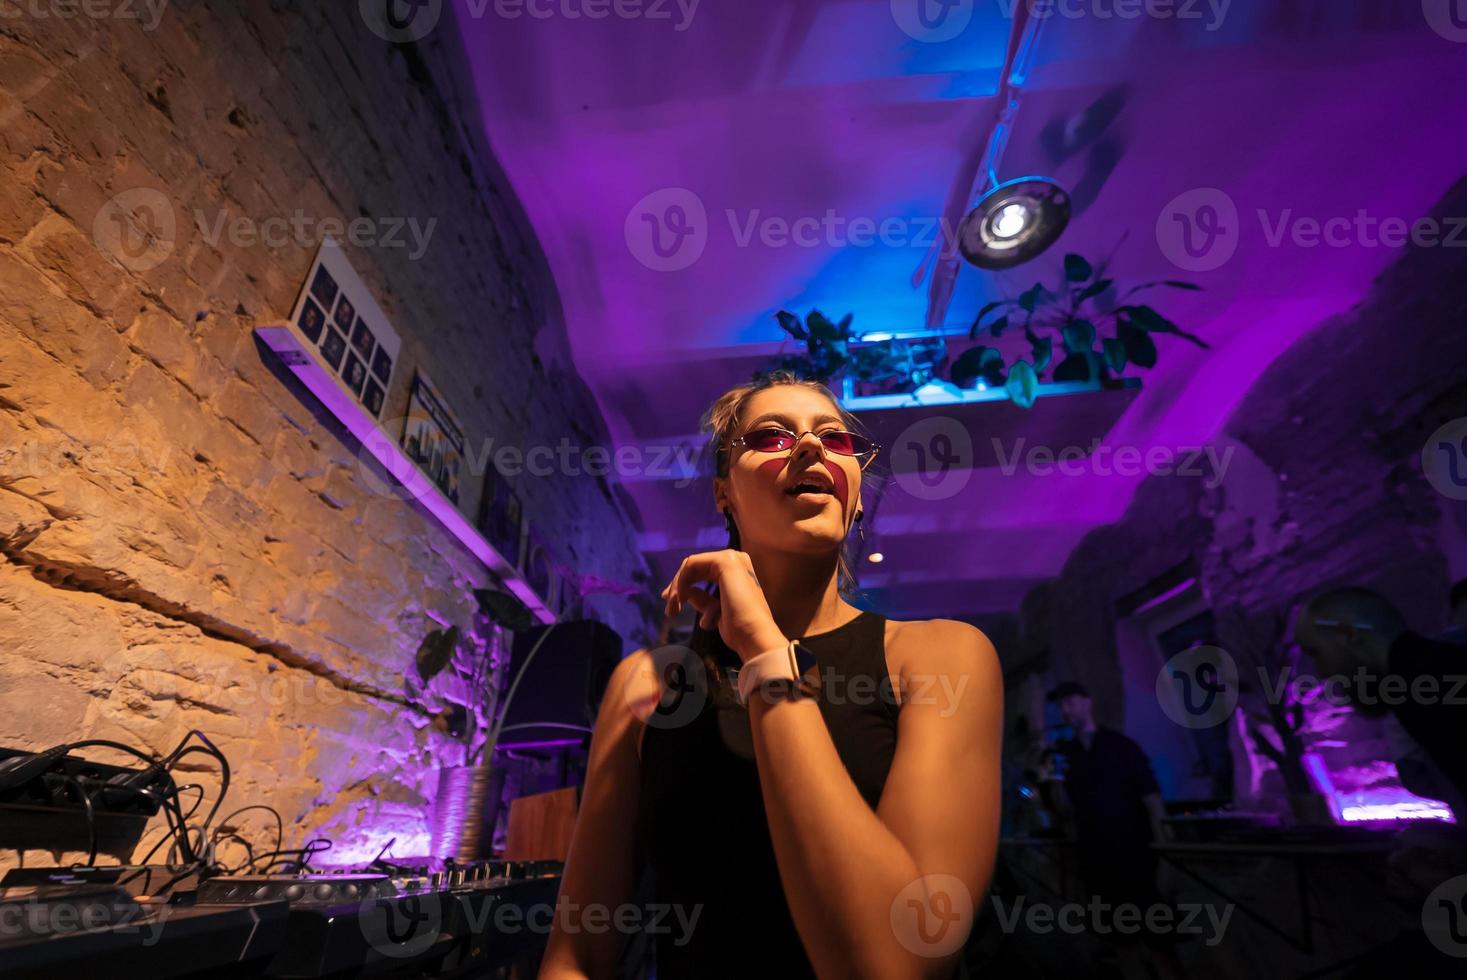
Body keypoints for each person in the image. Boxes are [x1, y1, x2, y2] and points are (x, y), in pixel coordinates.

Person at [540, 371, 1004, 980]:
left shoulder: (944, 657)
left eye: (835, 440)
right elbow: (577, 953)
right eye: (773, 436)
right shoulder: (649, 684)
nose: (810, 447)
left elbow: (901, 962)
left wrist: (763, 649)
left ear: (857, 494)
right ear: (723, 494)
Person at [1292, 586, 1467, 814]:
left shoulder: (1426, 685)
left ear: (1348, 635)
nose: (1321, 671)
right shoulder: (1418, 679)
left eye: (1316, 652)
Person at [1046, 682, 1167, 909]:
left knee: (1148, 916)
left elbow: (1150, 795)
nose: (1065, 711)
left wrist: (1163, 844)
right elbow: (1064, 809)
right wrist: (1055, 778)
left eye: (1070, 703)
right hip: (1095, 854)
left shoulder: (1121, 746)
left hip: (1134, 848)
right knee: (1110, 923)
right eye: (1061, 705)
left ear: (1087, 702)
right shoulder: (1066, 754)